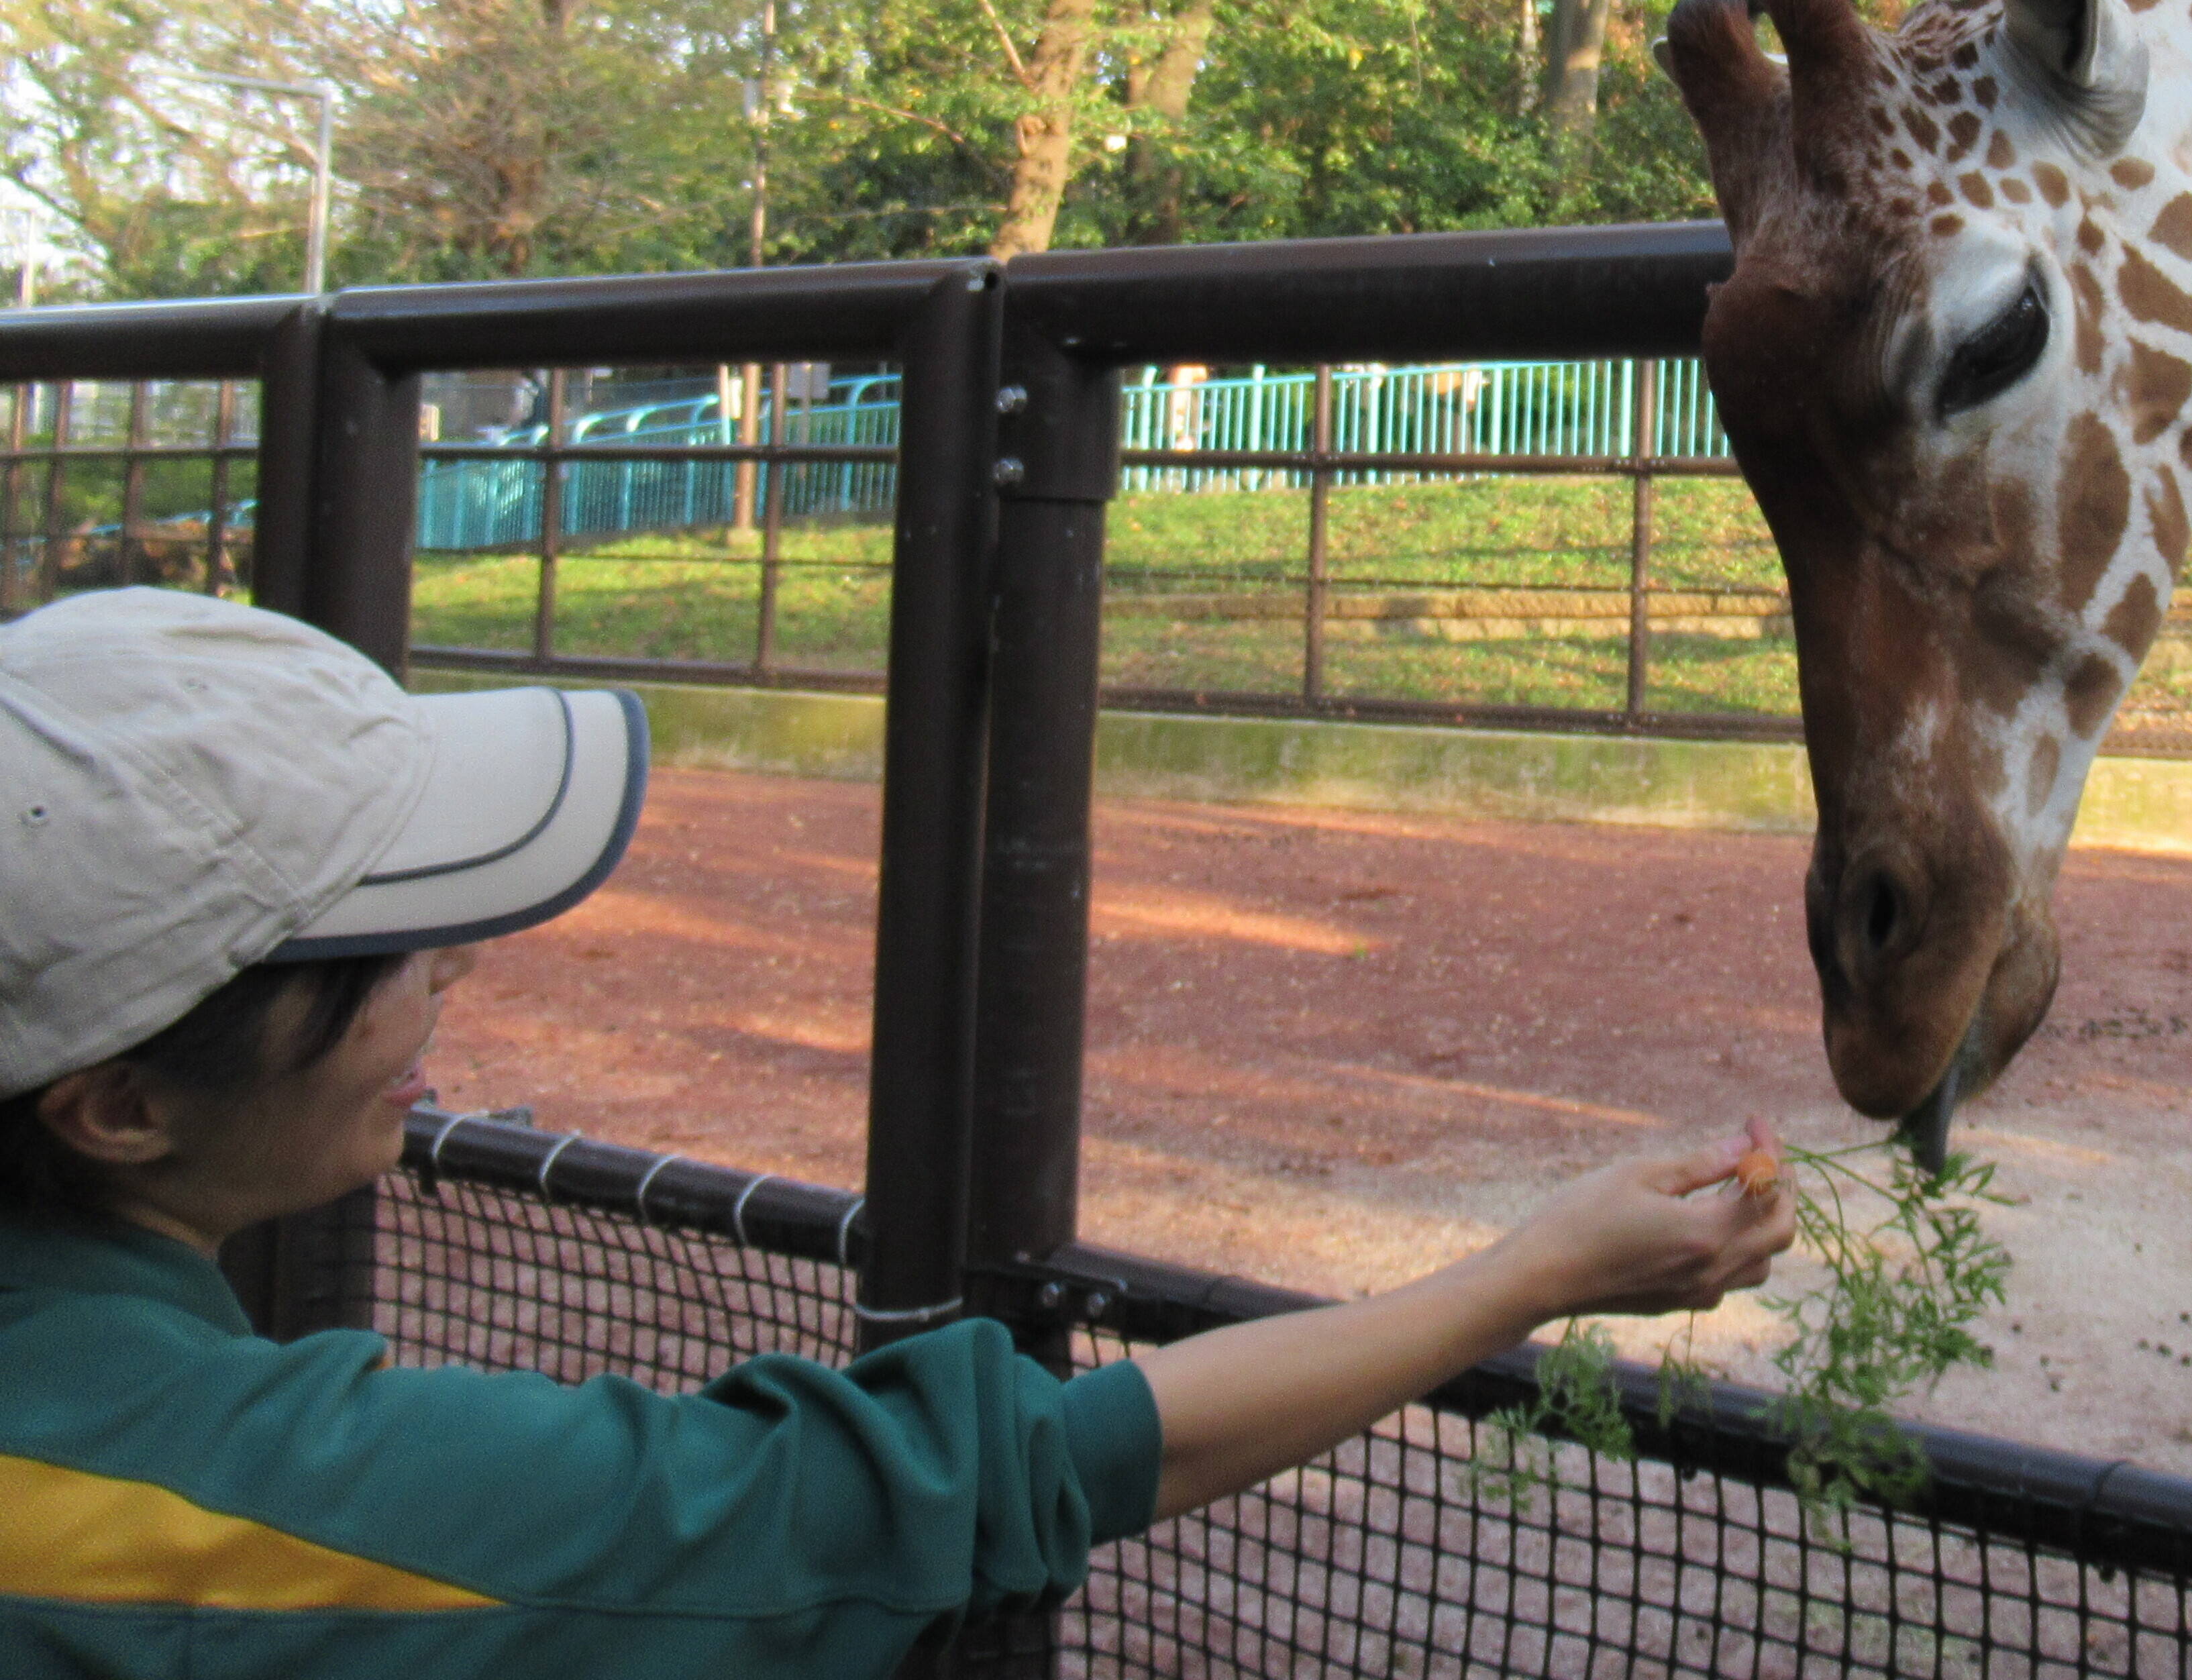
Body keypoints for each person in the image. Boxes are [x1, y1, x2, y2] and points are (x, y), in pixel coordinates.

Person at [0, 588, 1793, 1674]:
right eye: (388, 946)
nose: (456, 963)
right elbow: (933, 1489)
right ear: (122, 1105)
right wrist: (1530, 1273)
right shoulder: (191, 1502)